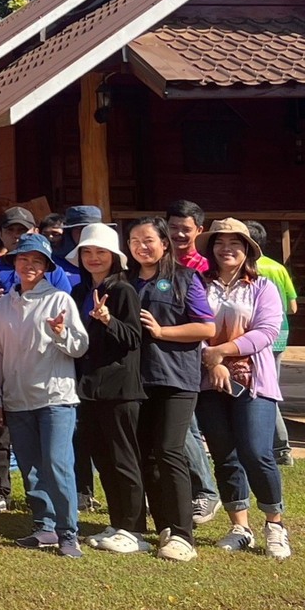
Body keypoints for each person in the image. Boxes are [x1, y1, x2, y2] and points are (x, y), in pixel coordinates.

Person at [0, 231, 90, 558]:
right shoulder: (4, 305)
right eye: (23, 258)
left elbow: (80, 346)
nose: (29, 265)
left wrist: (60, 333)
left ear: (46, 267)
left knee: (58, 465)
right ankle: (44, 526)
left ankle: (68, 532)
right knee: (31, 468)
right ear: (14, 263)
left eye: (37, 261)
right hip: (17, 400)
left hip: (55, 398)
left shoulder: (59, 300)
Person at [195, 219, 292, 560]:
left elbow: (267, 331)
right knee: (224, 453)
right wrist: (212, 362)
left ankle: (275, 525)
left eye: (235, 243)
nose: (227, 249)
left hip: (254, 381)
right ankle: (240, 527)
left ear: (248, 249)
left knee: (256, 451)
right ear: (211, 249)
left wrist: (222, 351)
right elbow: (191, 324)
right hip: (208, 381)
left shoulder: (263, 286)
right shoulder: (198, 284)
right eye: (220, 242)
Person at [125, 216, 214, 561]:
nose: (141, 247)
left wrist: (163, 332)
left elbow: (206, 328)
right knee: (146, 453)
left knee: (169, 450)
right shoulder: (125, 281)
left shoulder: (185, 278)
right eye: (134, 241)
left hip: (176, 378)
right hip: (137, 379)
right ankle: (163, 525)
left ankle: (182, 535)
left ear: (164, 243)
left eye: (148, 240)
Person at [70, 223, 148, 555]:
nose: (93, 257)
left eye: (101, 252)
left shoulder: (123, 290)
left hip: (120, 389)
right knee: (103, 459)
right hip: (89, 388)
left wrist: (107, 320)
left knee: (124, 459)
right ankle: (118, 524)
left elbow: (134, 338)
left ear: (114, 257)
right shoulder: (78, 291)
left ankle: (135, 529)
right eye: (87, 251)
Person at [248, 222, 299, 463]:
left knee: (262, 389)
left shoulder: (248, 267)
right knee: (269, 386)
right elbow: (293, 306)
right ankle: (278, 446)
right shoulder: (278, 267)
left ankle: (280, 446)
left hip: (256, 334)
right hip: (281, 331)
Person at [165, 200, 211, 274]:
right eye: (174, 228)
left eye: (186, 229)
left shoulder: (205, 265)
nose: (180, 234)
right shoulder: (157, 260)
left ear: (199, 230)